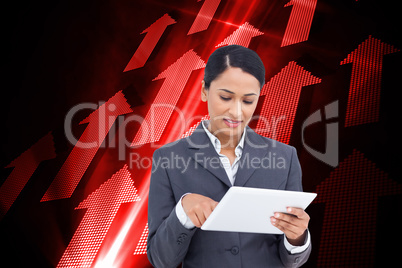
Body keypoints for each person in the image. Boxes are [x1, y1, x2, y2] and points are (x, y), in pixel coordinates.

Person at [147, 45, 311, 268]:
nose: (236, 112)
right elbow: (160, 260)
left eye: (247, 101)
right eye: (225, 97)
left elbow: (293, 260)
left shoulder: (285, 157)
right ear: (204, 90)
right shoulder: (167, 159)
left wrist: (297, 238)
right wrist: (182, 215)